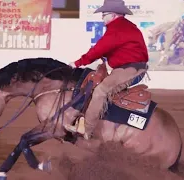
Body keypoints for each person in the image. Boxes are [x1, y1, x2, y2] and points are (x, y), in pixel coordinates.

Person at [64, 0, 149, 140]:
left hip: (130, 69)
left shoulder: (117, 28)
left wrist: (77, 63)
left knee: (100, 91)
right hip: (127, 67)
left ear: (114, 15)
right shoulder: (123, 27)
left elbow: (98, 49)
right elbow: (114, 50)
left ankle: (87, 130)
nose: (102, 17)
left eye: (104, 14)